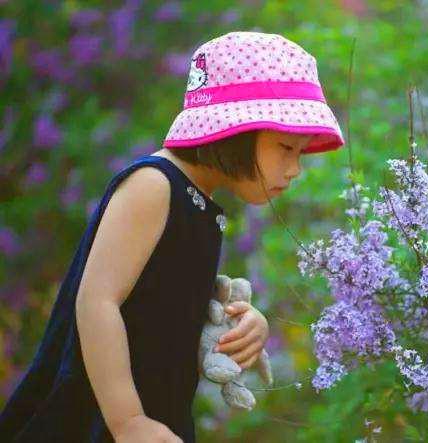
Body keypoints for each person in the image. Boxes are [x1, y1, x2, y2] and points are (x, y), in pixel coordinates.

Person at [0, 31, 344, 442]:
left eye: (299, 153)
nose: (294, 169)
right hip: (94, 419)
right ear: (235, 130)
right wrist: (128, 421)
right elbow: (97, 301)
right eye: (286, 147)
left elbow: (158, 311)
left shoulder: (198, 204)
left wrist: (245, 324)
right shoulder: (154, 185)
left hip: (156, 419)